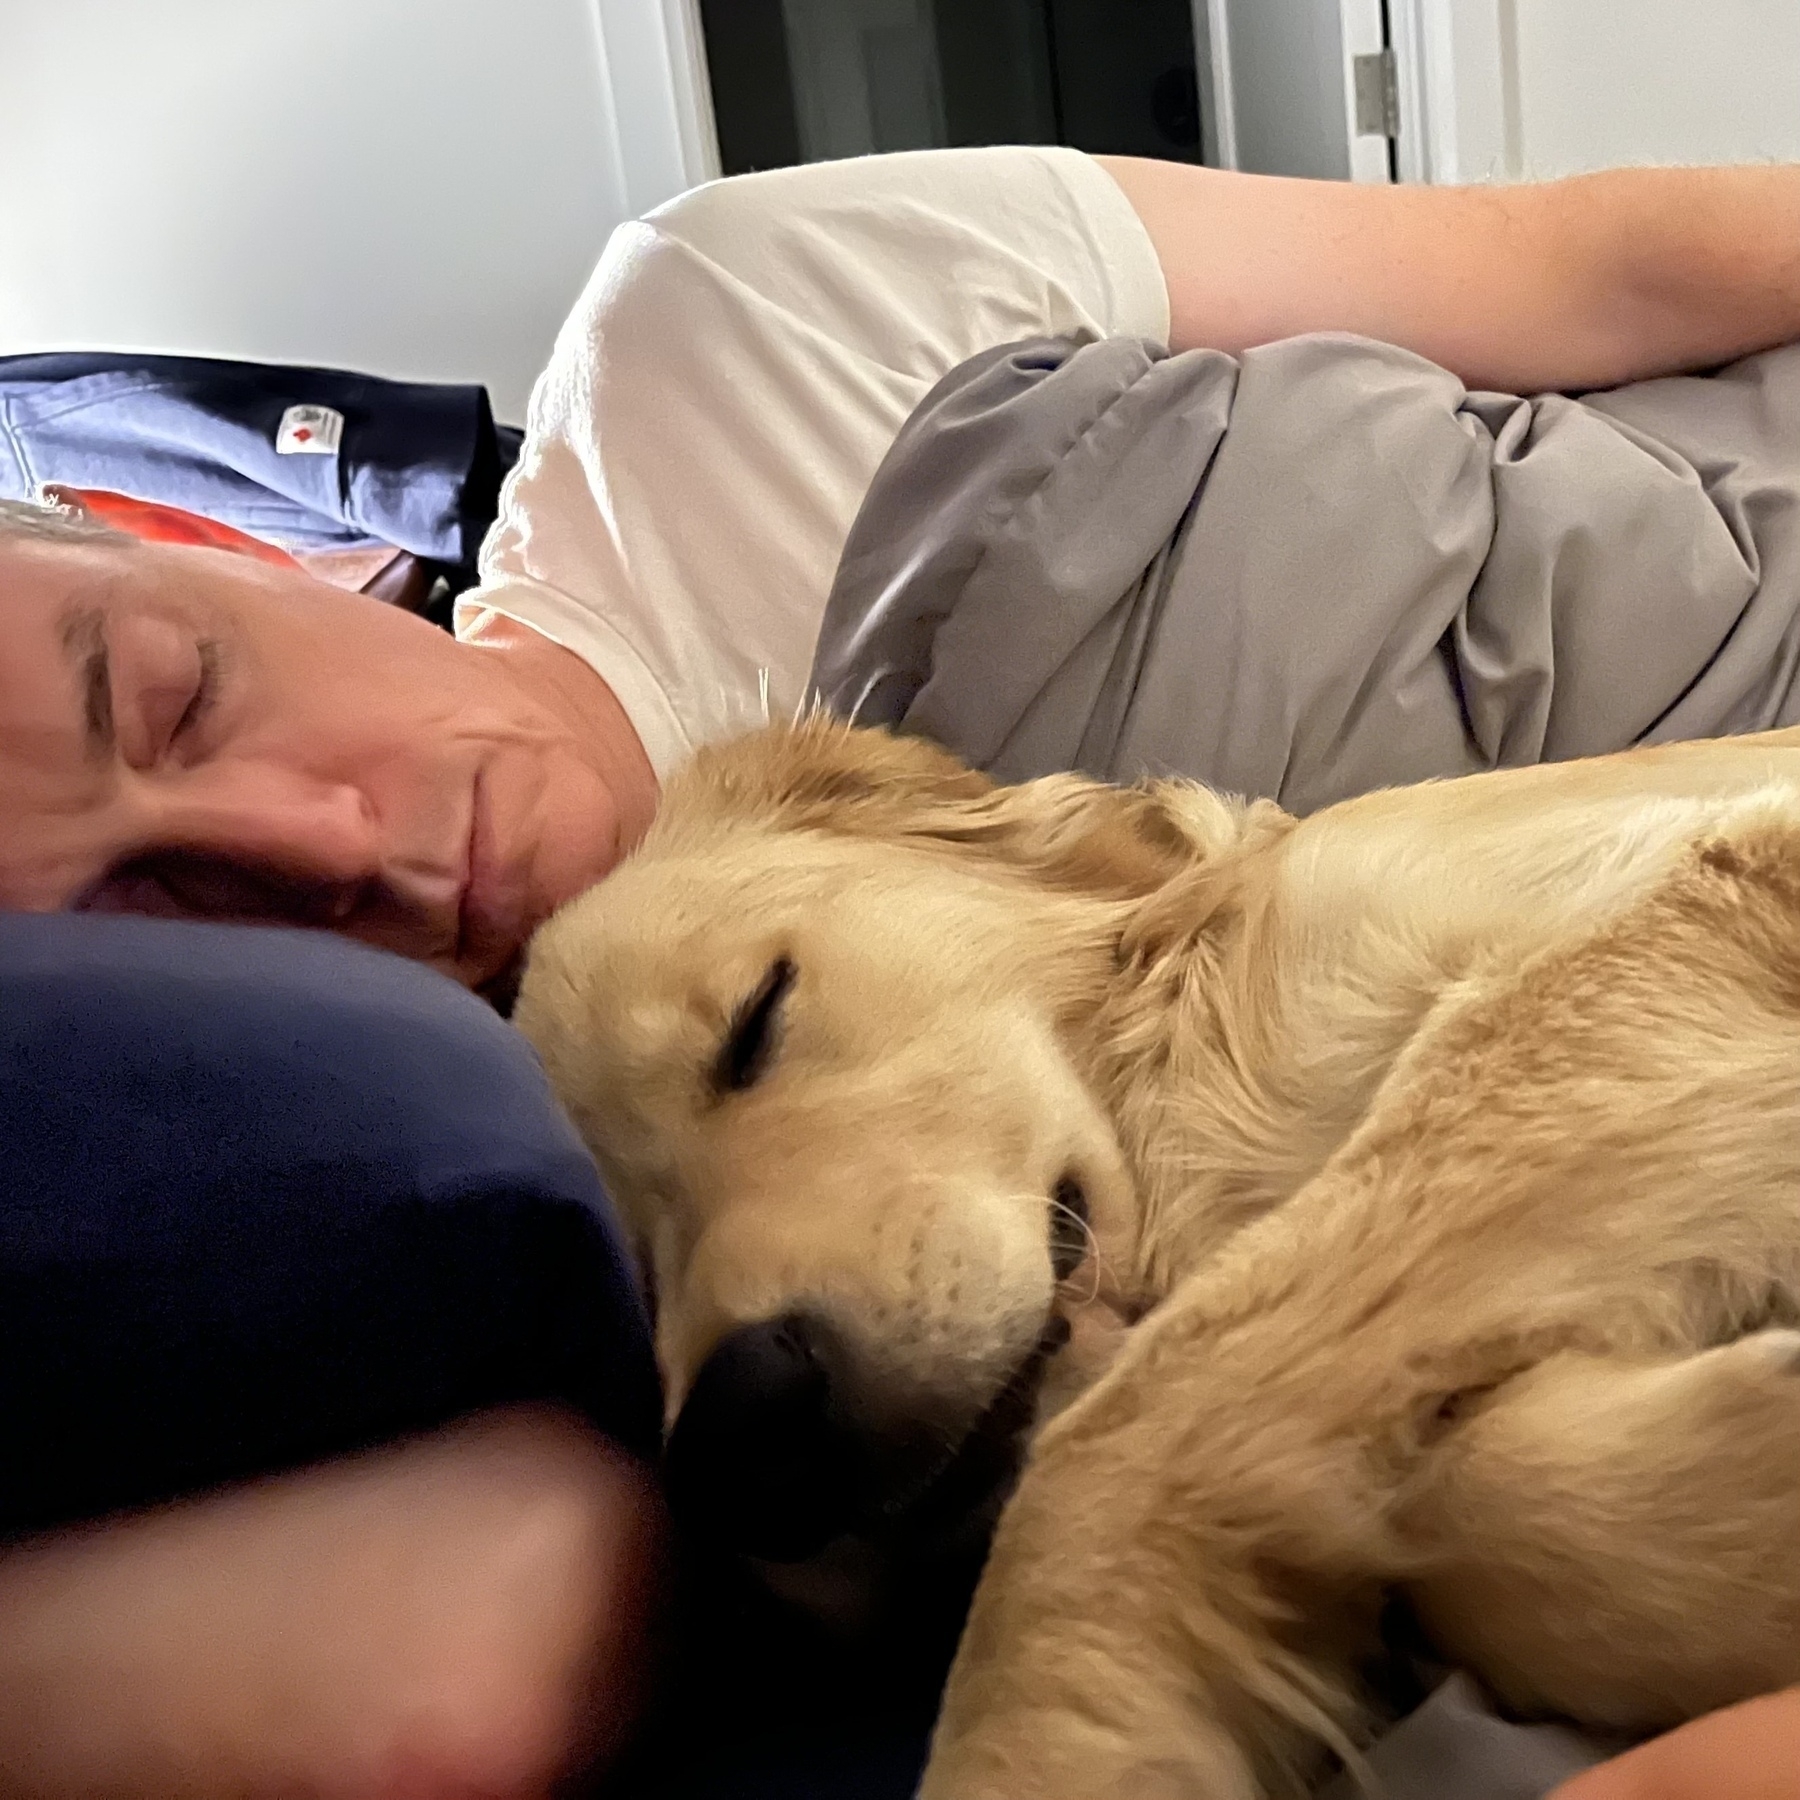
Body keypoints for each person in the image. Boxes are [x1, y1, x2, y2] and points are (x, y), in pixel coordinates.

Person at [8, 145, 1800, 1797]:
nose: (328, 849)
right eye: (150, 910)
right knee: (1541, 1519)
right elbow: (445, 1670)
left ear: (232, 553)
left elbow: (1600, 267)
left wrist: (1158, 1523)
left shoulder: (734, 344)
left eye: (176, 687)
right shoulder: (430, 1187)